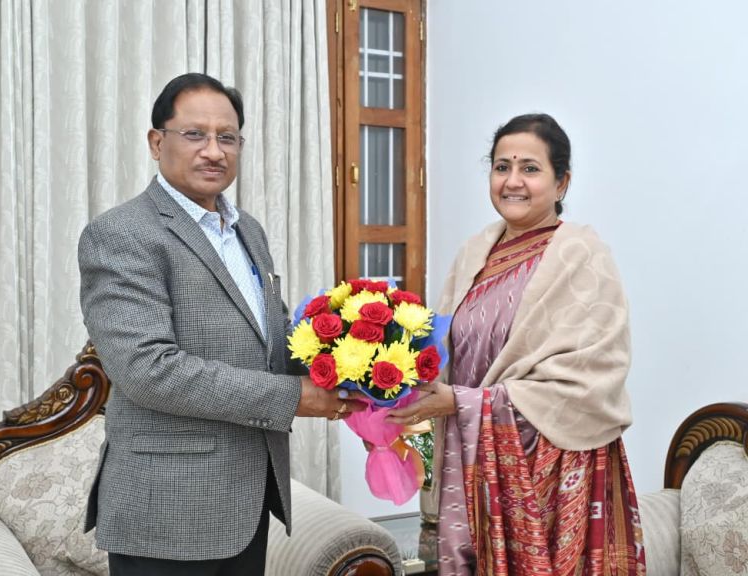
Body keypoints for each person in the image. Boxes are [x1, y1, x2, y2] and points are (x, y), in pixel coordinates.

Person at [78, 72, 362, 576]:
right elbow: (148, 370)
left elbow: (269, 338)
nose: (214, 150)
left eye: (227, 137)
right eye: (195, 134)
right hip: (164, 513)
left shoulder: (246, 229)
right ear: (155, 142)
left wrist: (359, 359)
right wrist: (293, 396)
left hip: (245, 503)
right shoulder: (122, 234)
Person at [388, 114, 645, 575]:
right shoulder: (475, 251)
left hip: (554, 470)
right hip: (471, 462)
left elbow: (590, 379)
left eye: (530, 168)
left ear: (562, 182)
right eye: (501, 166)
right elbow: (445, 354)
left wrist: (463, 402)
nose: (513, 182)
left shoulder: (582, 257)